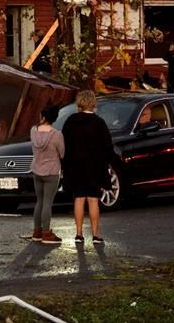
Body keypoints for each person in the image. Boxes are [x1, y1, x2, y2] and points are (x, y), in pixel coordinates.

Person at [62, 90, 114, 245]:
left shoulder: (71, 121)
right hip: (94, 166)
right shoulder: (99, 122)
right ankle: (96, 234)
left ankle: (78, 233)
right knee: (93, 200)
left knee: (78, 199)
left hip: (75, 166)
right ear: (93, 103)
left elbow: (64, 143)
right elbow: (107, 146)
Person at [30, 104, 65, 244]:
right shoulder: (57, 135)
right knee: (47, 203)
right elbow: (62, 153)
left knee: (39, 201)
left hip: (36, 171)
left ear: (44, 117)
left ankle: (37, 232)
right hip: (51, 172)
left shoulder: (33, 130)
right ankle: (46, 233)